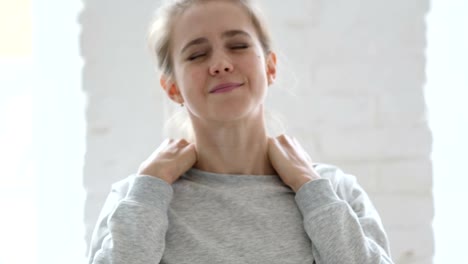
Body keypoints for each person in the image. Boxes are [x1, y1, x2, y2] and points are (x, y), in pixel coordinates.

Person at [88, 0, 394, 263]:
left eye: (238, 46)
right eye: (196, 55)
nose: (220, 64)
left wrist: (310, 189)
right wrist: (149, 189)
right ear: (172, 87)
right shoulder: (138, 198)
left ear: (270, 67)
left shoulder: (334, 190)